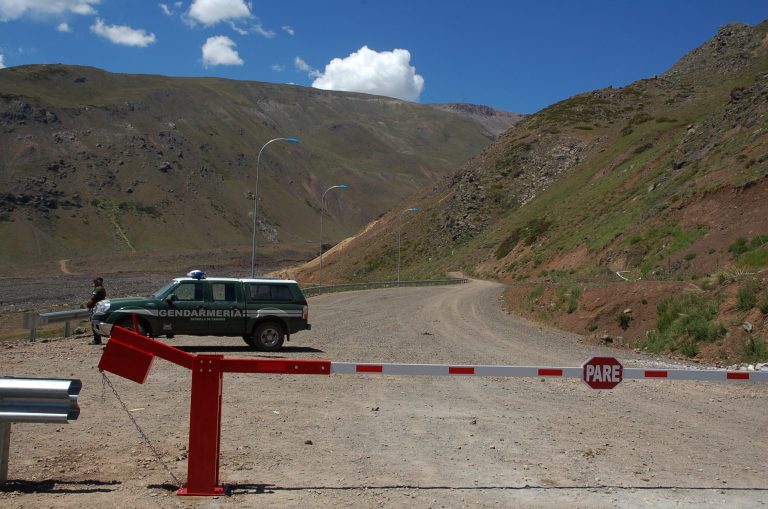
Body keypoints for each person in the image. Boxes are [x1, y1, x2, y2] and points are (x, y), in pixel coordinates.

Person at [86, 277, 107, 345]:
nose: (95, 283)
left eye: (96, 281)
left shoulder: (98, 289)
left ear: (100, 282)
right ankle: (97, 339)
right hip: (99, 307)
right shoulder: (101, 288)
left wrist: (88, 304)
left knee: (94, 322)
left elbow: (92, 299)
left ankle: (97, 340)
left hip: (96, 308)